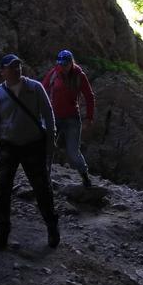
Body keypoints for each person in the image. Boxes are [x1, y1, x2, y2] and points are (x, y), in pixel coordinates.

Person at [0, 53, 59, 252]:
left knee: (42, 187)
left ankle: (52, 225)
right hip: (8, 145)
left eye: (18, 66)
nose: (17, 69)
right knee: (2, 189)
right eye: (11, 66)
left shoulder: (35, 88)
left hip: (33, 144)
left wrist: (50, 145)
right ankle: (1, 233)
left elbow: (49, 117)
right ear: (2, 71)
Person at [41, 49, 95, 188]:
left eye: (65, 64)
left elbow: (89, 96)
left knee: (73, 153)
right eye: (60, 64)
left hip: (72, 119)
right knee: (47, 148)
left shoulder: (79, 76)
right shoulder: (54, 73)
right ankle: (45, 179)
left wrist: (89, 117)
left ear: (71, 63)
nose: (63, 67)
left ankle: (85, 177)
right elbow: (41, 89)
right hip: (53, 117)